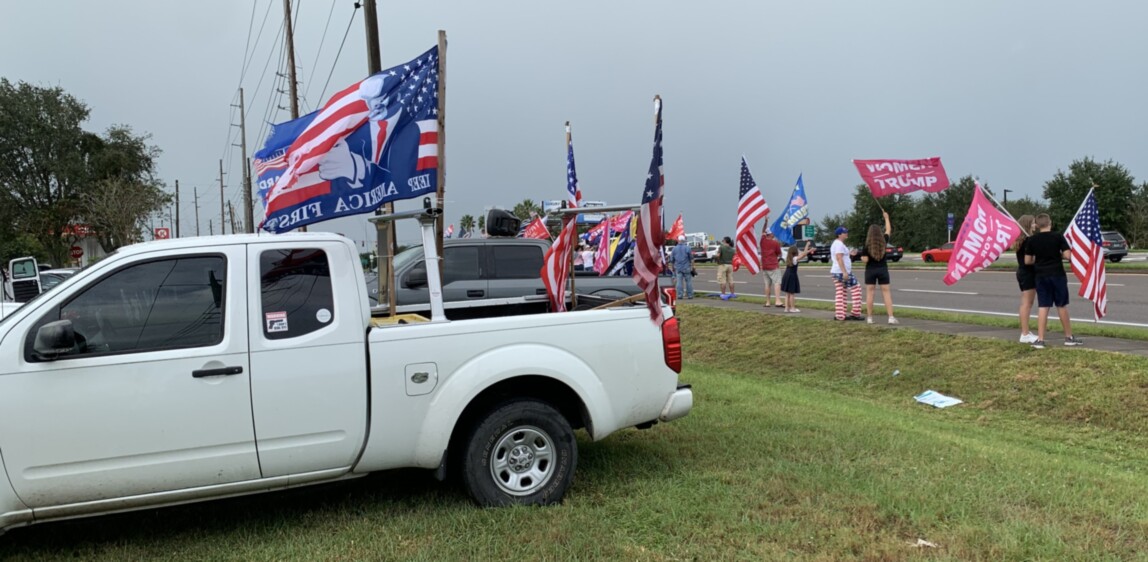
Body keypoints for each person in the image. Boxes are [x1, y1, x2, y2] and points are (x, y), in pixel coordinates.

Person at [1024, 214, 1082, 348]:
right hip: (1057, 274)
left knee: (1043, 306)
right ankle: (1068, 337)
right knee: (1061, 305)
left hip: (1041, 275)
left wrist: (1038, 259)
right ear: (1050, 223)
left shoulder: (1032, 240)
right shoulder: (1058, 237)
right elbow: (1068, 256)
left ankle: (1040, 339)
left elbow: (1028, 261)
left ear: (1037, 225)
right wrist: (1058, 254)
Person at [859, 211, 897, 324]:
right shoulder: (884, 241)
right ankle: (890, 317)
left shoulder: (866, 245)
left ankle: (870, 318)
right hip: (883, 269)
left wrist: (862, 257)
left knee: (870, 294)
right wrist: (886, 218)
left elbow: (865, 260)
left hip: (870, 270)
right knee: (886, 293)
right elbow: (888, 230)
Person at [1014, 215, 1038, 343]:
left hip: (1022, 272)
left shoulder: (1021, 240)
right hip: (1028, 273)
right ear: (1028, 224)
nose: (1035, 225)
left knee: (1026, 303)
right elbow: (1028, 260)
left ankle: (1026, 331)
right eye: (1033, 223)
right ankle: (1025, 334)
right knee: (1027, 304)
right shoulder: (1028, 241)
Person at [830, 226, 863, 321]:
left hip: (837, 271)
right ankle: (855, 313)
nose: (846, 234)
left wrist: (849, 253)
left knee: (841, 291)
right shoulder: (839, 244)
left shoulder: (838, 244)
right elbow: (839, 258)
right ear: (839, 234)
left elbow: (842, 255)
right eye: (844, 232)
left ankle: (840, 315)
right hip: (841, 272)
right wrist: (844, 272)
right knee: (856, 289)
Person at [781, 241, 814, 312]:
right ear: (795, 252)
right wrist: (808, 246)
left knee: (787, 293)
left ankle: (786, 308)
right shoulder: (795, 258)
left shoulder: (789, 257)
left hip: (786, 275)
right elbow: (803, 254)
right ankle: (792, 308)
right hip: (792, 276)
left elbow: (803, 253)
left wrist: (808, 249)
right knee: (792, 293)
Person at [759, 226, 784, 307]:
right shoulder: (775, 243)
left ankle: (768, 302)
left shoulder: (762, 241)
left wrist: (765, 222)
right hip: (773, 265)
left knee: (767, 284)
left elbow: (762, 231)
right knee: (777, 283)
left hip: (765, 266)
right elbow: (778, 253)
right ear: (771, 234)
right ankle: (777, 300)